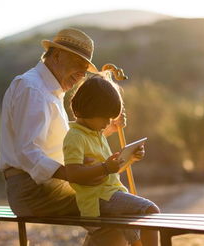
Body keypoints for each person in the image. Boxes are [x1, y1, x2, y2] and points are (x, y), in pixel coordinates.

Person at [0, 28, 130, 245]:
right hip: (32, 191)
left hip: (44, 186)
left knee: (113, 206)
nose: (81, 74)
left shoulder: (49, 90)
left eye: (86, 69)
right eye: (79, 64)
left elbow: (65, 143)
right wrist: (72, 174)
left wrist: (107, 129)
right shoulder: (32, 88)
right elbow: (28, 152)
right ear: (57, 55)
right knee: (111, 206)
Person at [64, 75, 160, 246]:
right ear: (82, 111)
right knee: (151, 210)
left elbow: (110, 171)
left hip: (111, 194)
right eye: (104, 117)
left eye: (110, 117)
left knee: (135, 238)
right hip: (98, 199)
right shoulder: (75, 137)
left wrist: (130, 158)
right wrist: (105, 168)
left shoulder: (96, 135)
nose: (108, 122)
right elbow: (72, 174)